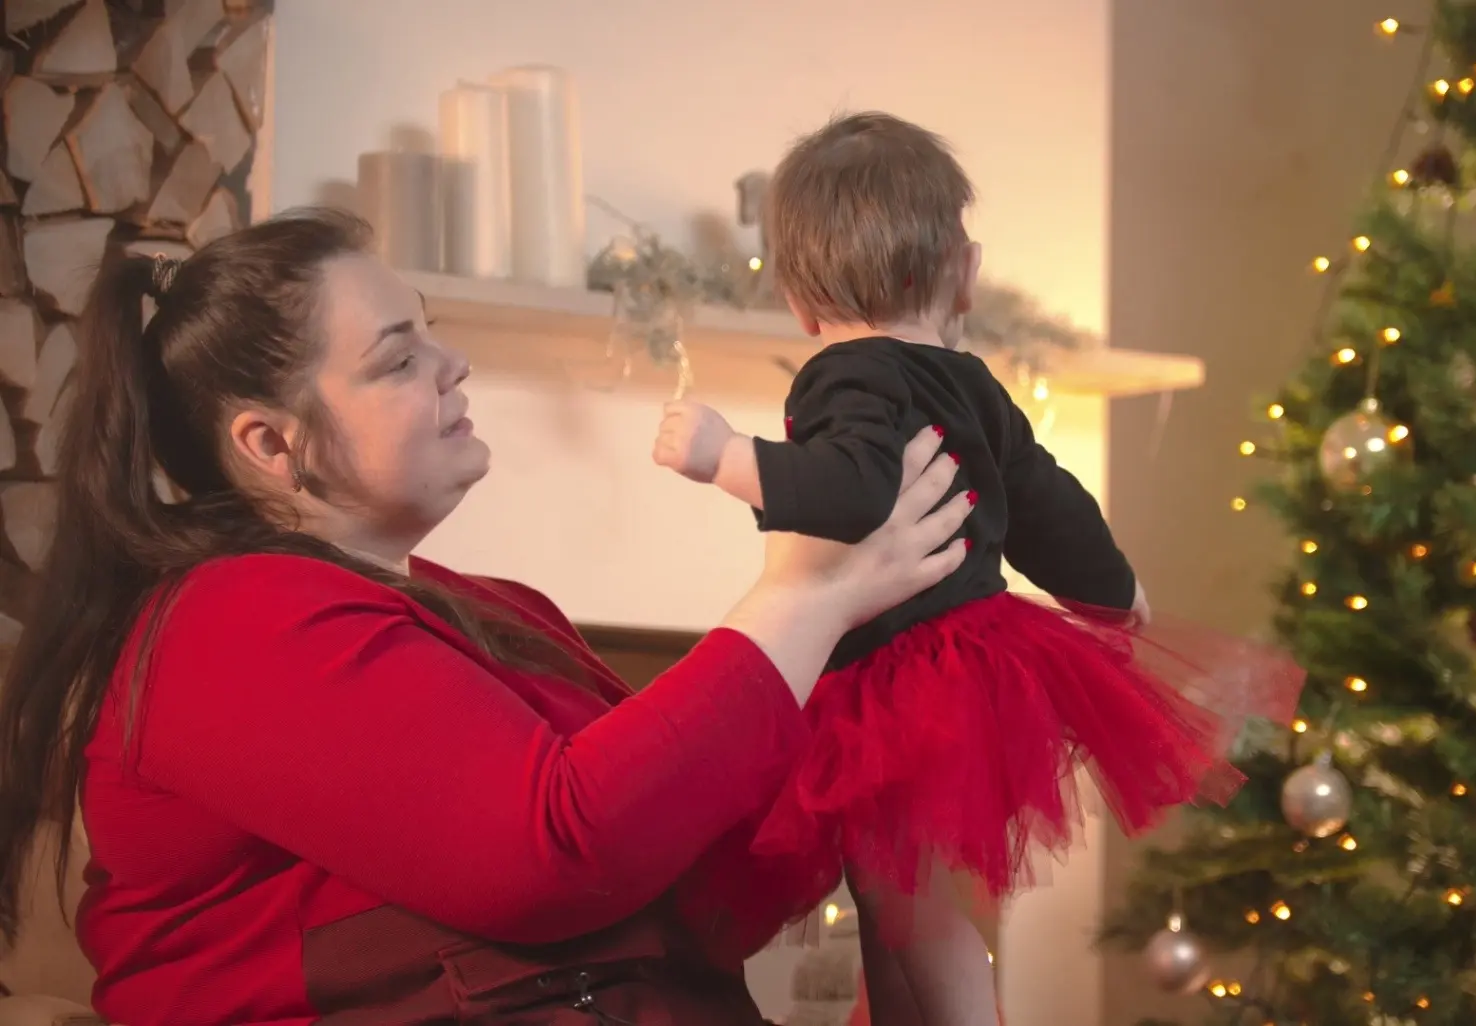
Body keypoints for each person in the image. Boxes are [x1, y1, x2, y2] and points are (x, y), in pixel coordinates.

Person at [0, 207, 977, 1026]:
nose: (452, 363)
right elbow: (554, 858)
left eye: (431, 334)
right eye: (398, 359)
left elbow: (708, 891)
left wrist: (870, 709)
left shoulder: (506, 613)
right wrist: (807, 594)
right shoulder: (226, 626)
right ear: (270, 443)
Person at [652, 112, 1305, 1026]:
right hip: (967, 669)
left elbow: (852, 489)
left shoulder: (847, 374)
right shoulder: (973, 383)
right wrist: (1112, 590)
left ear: (798, 302)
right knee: (890, 904)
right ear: (964, 273)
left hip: (905, 681)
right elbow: (1046, 501)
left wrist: (726, 457)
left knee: (915, 913)